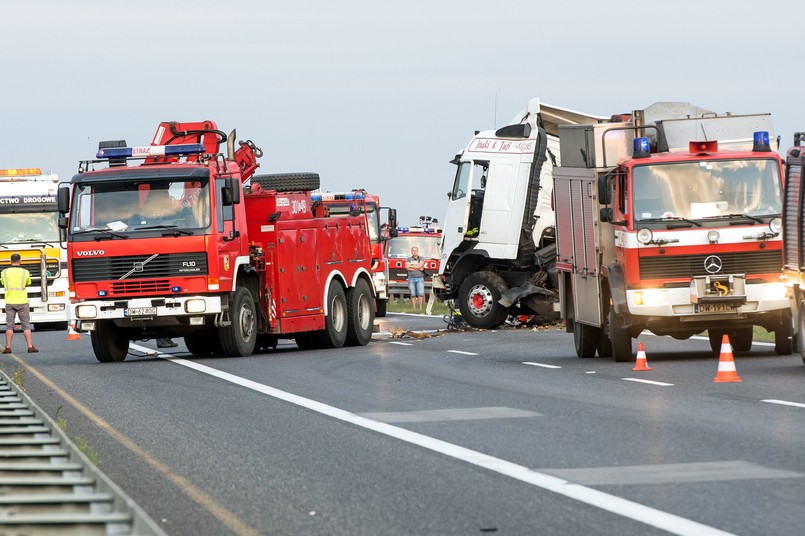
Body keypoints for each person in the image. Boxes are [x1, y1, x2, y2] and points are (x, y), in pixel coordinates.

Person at [1, 253, 38, 353]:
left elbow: (3, 283)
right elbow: (28, 283)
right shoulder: (25, 272)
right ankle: (30, 346)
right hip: (22, 301)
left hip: (9, 301)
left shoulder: (4, 272)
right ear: (20, 261)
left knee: (9, 325)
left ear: (10, 261)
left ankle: (8, 347)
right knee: (26, 325)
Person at [406, 246, 426, 311]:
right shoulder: (408, 259)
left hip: (420, 278)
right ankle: (414, 308)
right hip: (411, 278)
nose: (414, 252)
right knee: (413, 294)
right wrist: (418, 267)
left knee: (420, 294)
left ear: (418, 251)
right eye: (413, 251)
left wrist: (411, 266)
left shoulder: (421, 258)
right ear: (411, 252)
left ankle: (420, 308)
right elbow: (407, 268)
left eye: (416, 250)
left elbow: (421, 266)